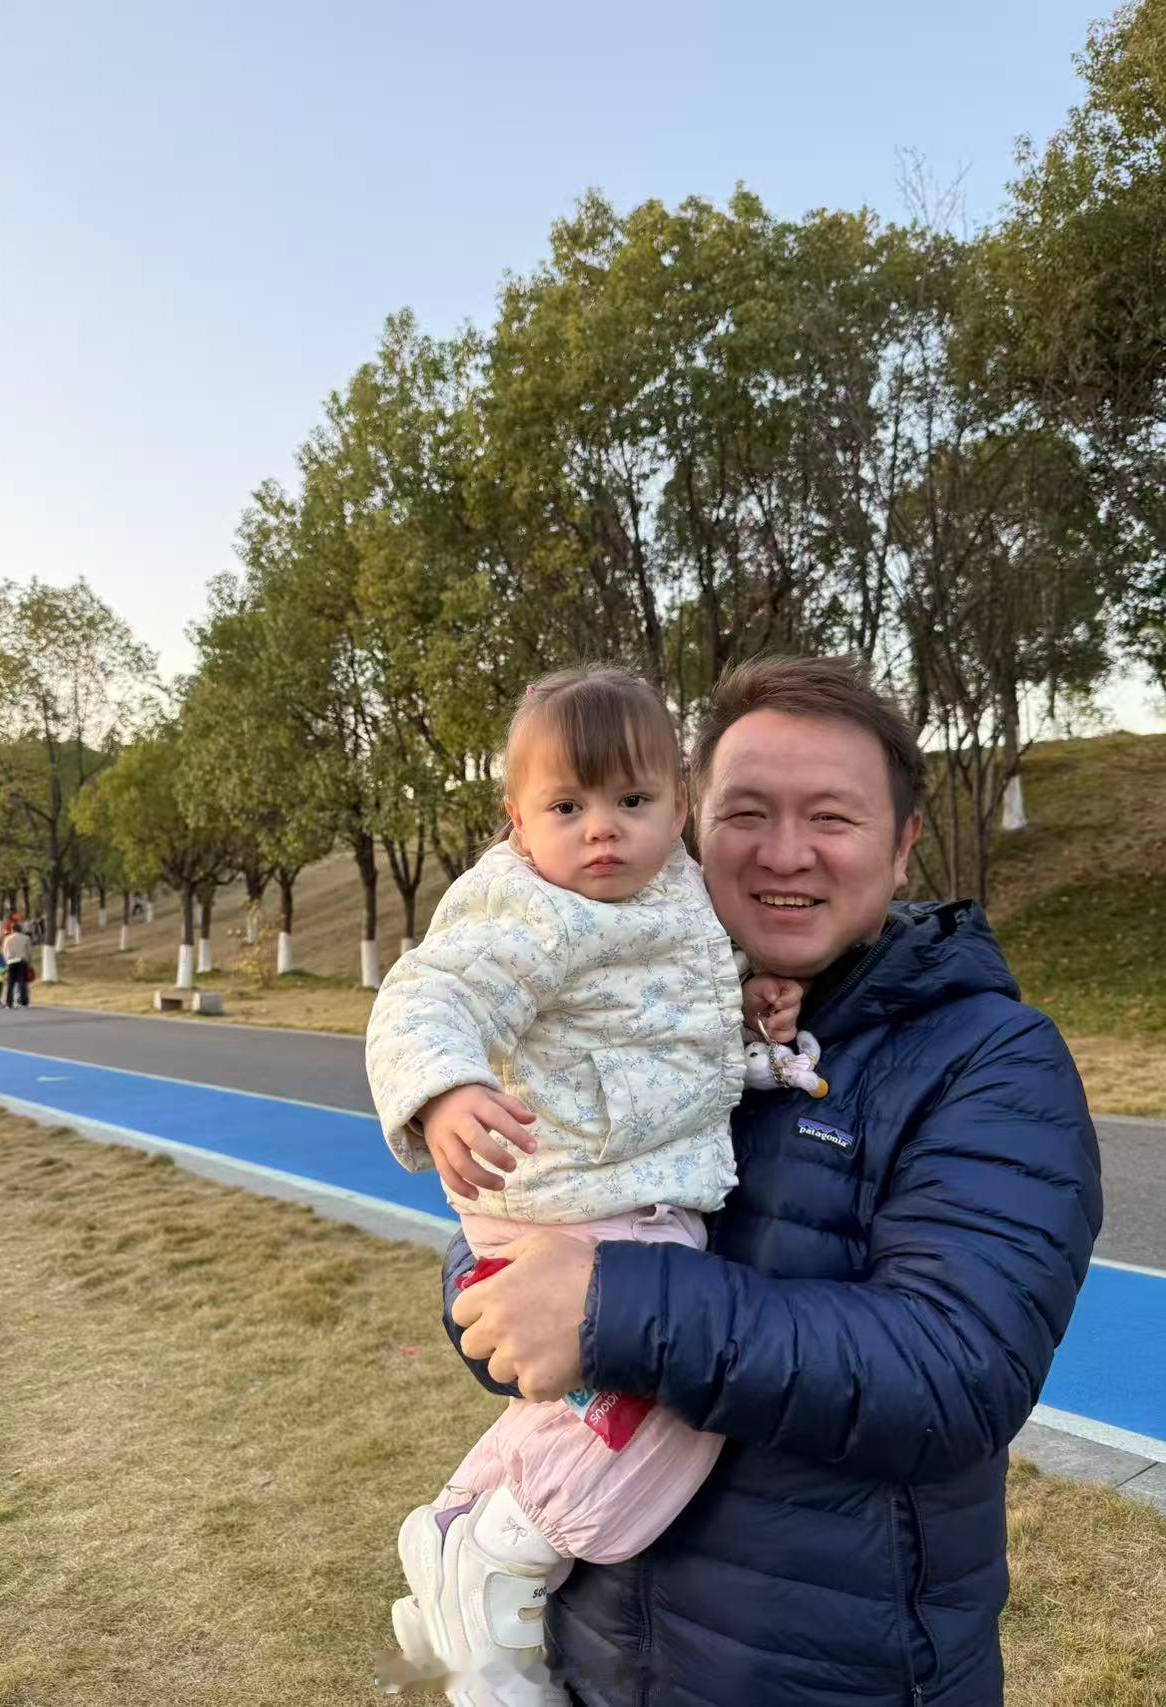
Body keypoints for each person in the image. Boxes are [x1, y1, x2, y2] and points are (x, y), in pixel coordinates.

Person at [443, 655, 1102, 1707]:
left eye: (831, 817)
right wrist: (494, 1295)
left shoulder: (990, 1061)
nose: (783, 852)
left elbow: (954, 1371)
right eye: (745, 813)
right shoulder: (648, 1016)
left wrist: (605, 1305)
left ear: (902, 844)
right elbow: (525, 1234)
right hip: (602, 1656)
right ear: (694, 826)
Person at [367, 667, 803, 1705]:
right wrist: (444, 1088)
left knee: (598, 1408)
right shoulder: (526, 905)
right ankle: (503, 1563)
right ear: (517, 819)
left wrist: (744, 1011)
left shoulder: (678, 892)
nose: (601, 829)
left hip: (627, 1193)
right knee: (674, 1410)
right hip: (567, 1200)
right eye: (566, 807)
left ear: (678, 806)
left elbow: (656, 1015)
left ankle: (456, 1528)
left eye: (631, 800)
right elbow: (427, 995)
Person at [2, 919, 33, 1010]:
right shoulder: (26, 938)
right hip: (22, 961)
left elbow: (5, 951)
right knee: (22, 982)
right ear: (20, 929)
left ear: (12, 929)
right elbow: (29, 952)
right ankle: (23, 1002)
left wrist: (6, 962)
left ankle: (8, 1003)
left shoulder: (7, 938)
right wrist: (29, 963)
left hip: (11, 962)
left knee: (10, 983)